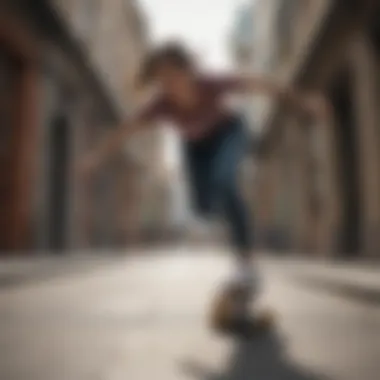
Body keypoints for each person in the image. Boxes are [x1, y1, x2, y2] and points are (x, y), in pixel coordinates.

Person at [80, 42, 329, 324]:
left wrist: (304, 101)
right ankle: (234, 215)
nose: (170, 87)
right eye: (162, 81)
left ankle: (246, 264)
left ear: (188, 71)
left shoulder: (211, 83)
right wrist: (96, 157)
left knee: (224, 181)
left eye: (174, 78)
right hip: (195, 148)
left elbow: (263, 84)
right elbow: (126, 130)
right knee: (202, 209)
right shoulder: (160, 104)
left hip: (229, 132)